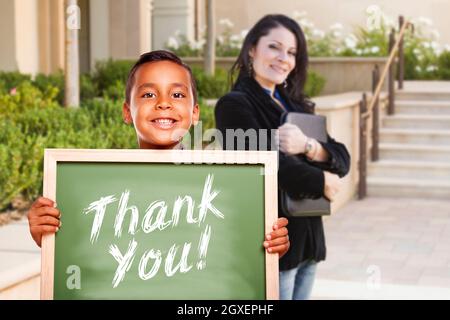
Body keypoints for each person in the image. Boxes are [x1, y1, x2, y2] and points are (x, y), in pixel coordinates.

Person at [27, 50, 290, 260]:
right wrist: (48, 235)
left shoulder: (228, 184)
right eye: (149, 94)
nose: (164, 103)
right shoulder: (98, 187)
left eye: (177, 94)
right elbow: (83, 253)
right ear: (127, 111)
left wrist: (274, 246)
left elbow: (241, 253)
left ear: (195, 112)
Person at [215, 15, 350, 300]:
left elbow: (342, 156)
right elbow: (266, 164)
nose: (283, 59)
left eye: (291, 53)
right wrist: (322, 179)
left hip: (309, 240)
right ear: (252, 49)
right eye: (274, 47)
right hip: (275, 244)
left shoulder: (297, 104)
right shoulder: (234, 105)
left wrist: (309, 146)